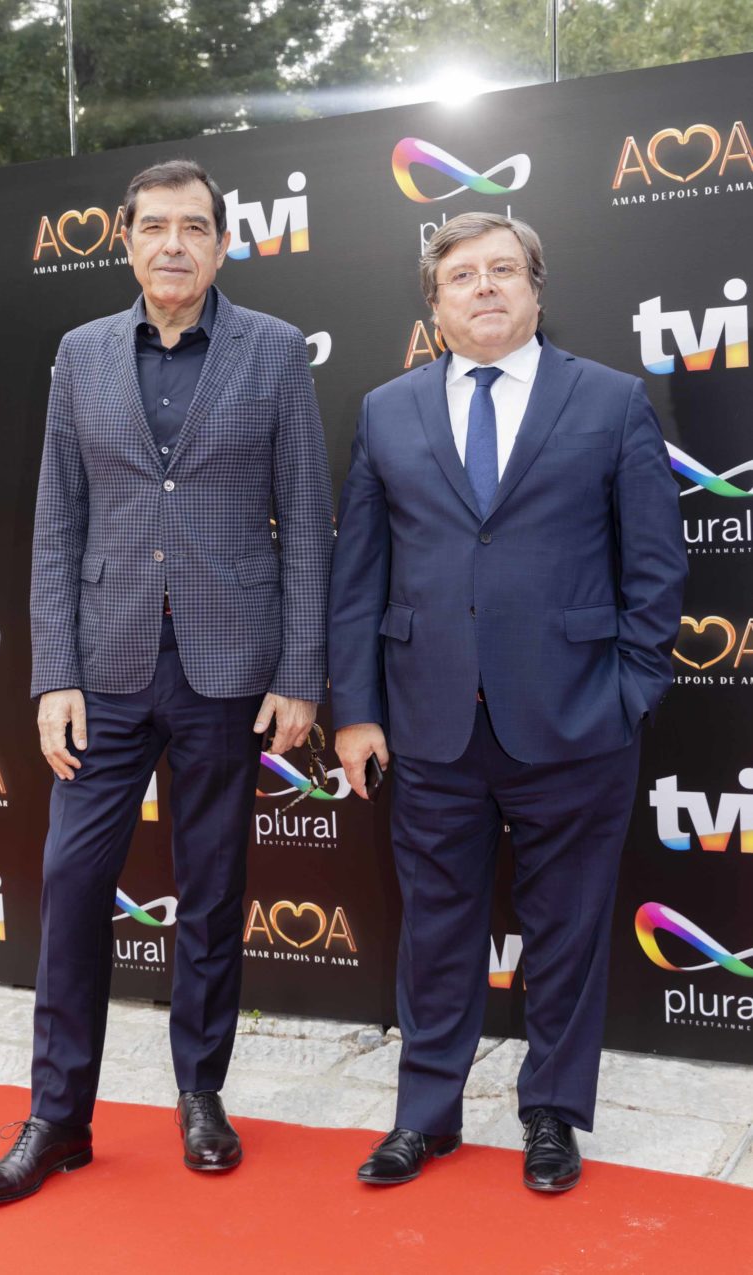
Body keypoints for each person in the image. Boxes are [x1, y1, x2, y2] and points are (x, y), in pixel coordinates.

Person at [0, 159, 333, 1205]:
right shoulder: (81, 353)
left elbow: (309, 518)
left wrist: (301, 672)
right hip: (107, 671)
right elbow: (56, 521)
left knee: (212, 889)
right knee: (74, 884)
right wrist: (54, 673)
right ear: (124, 238)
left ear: (223, 243)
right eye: (155, 226)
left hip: (230, 669)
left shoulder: (272, 350)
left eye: (195, 227)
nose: (174, 244)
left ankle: (200, 1095)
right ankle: (57, 1118)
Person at [328, 212, 686, 1193]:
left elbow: (655, 566)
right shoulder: (386, 411)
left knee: (567, 928)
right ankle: (424, 1115)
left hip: (576, 720)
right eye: (461, 276)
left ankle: (552, 1115)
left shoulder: (610, 400)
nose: (483, 287)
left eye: (502, 270)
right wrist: (356, 711)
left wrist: (629, 690)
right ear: (434, 303)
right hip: (428, 723)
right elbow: (358, 577)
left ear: (535, 288)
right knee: (434, 929)